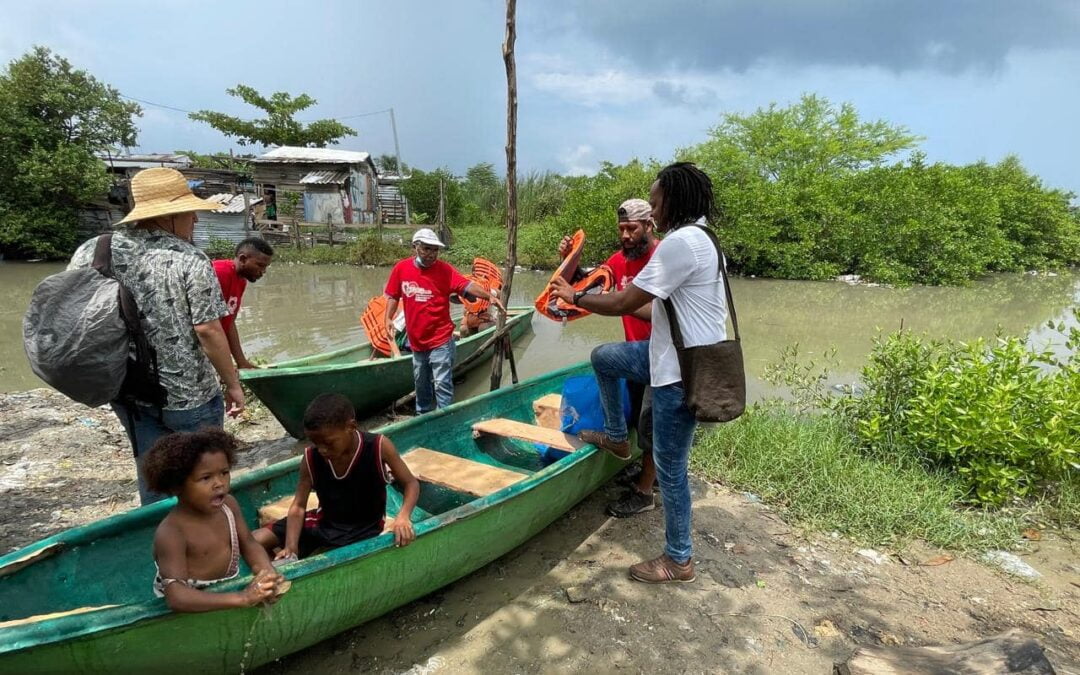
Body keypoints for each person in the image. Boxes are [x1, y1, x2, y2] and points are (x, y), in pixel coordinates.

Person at [549, 162, 727, 584]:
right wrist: (576, 272)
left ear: (672, 200)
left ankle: (678, 559)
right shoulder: (704, 239)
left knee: (670, 466)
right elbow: (622, 284)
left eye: (656, 200)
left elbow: (626, 301)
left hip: (678, 371)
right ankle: (615, 436)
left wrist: (577, 296)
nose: (653, 208)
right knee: (604, 357)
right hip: (667, 355)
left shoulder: (679, 243)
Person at [67, 168, 245, 505]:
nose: (195, 219)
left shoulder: (94, 249)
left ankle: (160, 538)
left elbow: (76, 313)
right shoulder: (189, 259)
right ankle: (206, 543)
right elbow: (208, 329)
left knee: (155, 471)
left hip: (126, 388)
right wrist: (233, 384)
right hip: (188, 395)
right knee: (205, 476)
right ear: (171, 215)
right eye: (191, 212)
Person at [557, 198, 660, 518]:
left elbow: (660, 310)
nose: (626, 235)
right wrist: (569, 261)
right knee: (634, 418)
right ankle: (641, 470)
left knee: (652, 427)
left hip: (663, 355)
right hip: (633, 352)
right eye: (622, 229)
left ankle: (645, 493)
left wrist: (618, 302)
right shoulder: (618, 260)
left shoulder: (661, 258)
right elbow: (588, 283)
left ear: (649, 226)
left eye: (632, 228)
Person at [253, 393, 420, 558]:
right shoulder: (312, 457)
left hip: (364, 530)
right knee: (253, 541)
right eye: (316, 443)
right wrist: (291, 546)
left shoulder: (378, 446)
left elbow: (411, 483)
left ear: (351, 427)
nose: (322, 450)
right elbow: (298, 507)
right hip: (324, 524)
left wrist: (403, 517)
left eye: (328, 443)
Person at [144, 429, 285, 612]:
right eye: (206, 477)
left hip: (225, 588)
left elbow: (249, 544)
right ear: (177, 485)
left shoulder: (229, 506)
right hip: (189, 601)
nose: (219, 483)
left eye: (224, 473)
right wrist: (242, 598)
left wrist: (267, 573)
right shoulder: (172, 532)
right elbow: (177, 597)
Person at [384, 228, 506, 413]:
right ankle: (422, 417)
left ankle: (445, 417)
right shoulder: (401, 269)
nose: (432, 254)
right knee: (421, 383)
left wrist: (490, 297)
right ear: (415, 247)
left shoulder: (444, 270)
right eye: (427, 249)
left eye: (435, 250)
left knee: (442, 384)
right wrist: (388, 319)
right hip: (417, 342)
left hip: (440, 339)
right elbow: (393, 295)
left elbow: (467, 285)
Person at [213, 238, 275, 369]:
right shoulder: (218, 273)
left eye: (266, 267)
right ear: (242, 259)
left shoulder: (241, 280)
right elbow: (209, 327)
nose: (263, 272)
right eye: (260, 265)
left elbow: (228, 323)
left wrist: (241, 362)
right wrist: (224, 365)